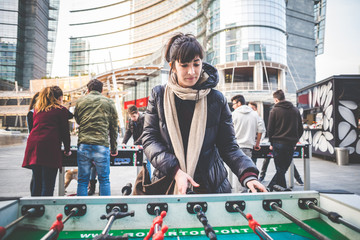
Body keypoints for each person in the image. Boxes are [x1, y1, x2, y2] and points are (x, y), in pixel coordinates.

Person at [141, 33, 266, 194]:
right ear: (173, 66)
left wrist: (249, 175)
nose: (192, 72)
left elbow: (228, 146)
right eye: (184, 65)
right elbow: (149, 139)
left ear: (202, 62)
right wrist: (175, 171)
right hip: (169, 182)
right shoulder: (159, 95)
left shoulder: (216, 99)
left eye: (196, 64)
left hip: (210, 185)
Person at [22, 86, 71, 196]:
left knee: (37, 183)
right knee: (48, 185)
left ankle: (34, 209)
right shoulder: (60, 110)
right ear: (59, 98)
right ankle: (45, 210)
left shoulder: (37, 110)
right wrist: (67, 149)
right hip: (49, 148)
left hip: (33, 147)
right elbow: (65, 132)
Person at [74, 79, 119, 196]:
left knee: (82, 181)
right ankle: (104, 209)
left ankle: (81, 209)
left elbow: (78, 120)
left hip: (84, 144)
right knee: (104, 180)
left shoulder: (80, 102)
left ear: (88, 90)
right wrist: (114, 148)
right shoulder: (109, 102)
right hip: (101, 145)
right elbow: (114, 127)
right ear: (102, 90)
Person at [267, 89, 304, 190]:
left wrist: (271, 142)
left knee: (280, 169)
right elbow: (300, 129)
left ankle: (275, 188)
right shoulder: (295, 110)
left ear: (276, 100)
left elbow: (270, 129)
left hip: (277, 143)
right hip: (290, 144)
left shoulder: (274, 110)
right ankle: (277, 188)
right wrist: (295, 140)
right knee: (282, 169)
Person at [231, 95, 265, 160]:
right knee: (246, 168)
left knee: (234, 168)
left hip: (235, 147)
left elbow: (228, 130)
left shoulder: (233, 114)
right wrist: (257, 143)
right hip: (248, 147)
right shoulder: (255, 114)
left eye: (233, 104)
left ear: (239, 103)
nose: (233, 106)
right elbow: (261, 129)